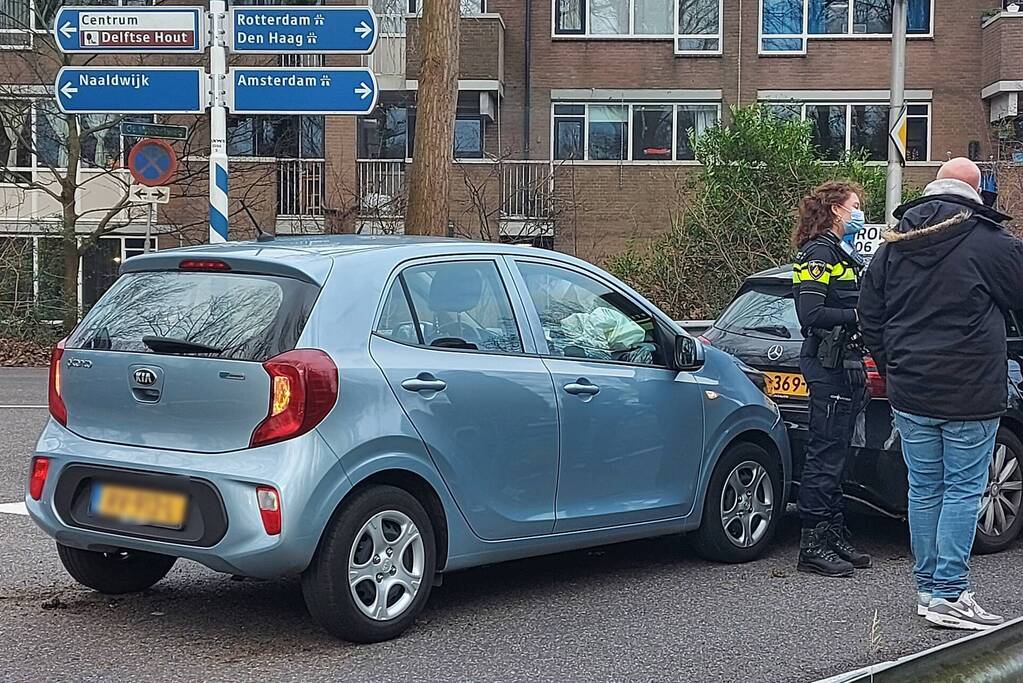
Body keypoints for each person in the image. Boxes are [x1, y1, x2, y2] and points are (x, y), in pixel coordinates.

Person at [859, 157, 1023, 630]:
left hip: (910, 391)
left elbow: (869, 314)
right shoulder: (989, 243)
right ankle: (951, 593)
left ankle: (928, 590)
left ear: (933, 189)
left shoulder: (895, 246)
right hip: (970, 391)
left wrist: (894, 367)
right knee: (964, 491)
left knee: (925, 489)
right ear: (977, 192)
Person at [791, 181, 873, 578]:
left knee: (837, 454)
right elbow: (811, 313)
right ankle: (813, 542)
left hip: (846, 364)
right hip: (828, 365)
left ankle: (833, 532)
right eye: (855, 206)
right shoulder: (818, 254)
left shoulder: (843, 253)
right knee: (824, 454)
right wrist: (858, 317)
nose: (860, 213)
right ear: (837, 210)